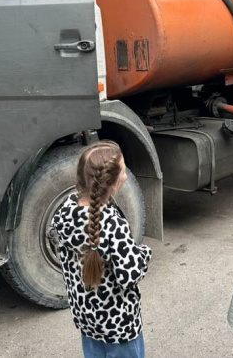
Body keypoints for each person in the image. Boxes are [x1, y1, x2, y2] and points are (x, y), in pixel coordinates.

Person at [52, 141, 152, 358]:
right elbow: (130, 274)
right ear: (113, 183)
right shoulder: (112, 225)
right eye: (124, 171)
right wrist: (144, 253)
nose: (126, 175)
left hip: (86, 318)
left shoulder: (64, 214)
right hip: (119, 326)